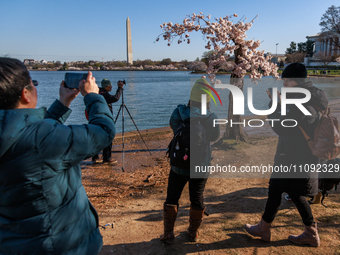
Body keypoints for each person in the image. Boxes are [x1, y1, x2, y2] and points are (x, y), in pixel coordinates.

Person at [0, 57, 116, 255]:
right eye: (33, 84)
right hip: (58, 245)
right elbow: (103, 131)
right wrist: (92, 96)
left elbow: (27, 135)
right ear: (25, 94)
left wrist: (62, 104)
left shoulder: (28, 136)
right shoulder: (42, 139)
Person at [244, 62, 328, 247]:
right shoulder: (309, 97)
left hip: (297, 156)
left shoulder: (302, 101)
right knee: (277, 189)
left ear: (295, 81)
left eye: (286, 80)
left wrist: (274, 106)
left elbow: (282, 127)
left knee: (293, 193)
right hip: (292, 154)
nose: (283, 84)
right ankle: (264, 227)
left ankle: (310, 232)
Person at [160, 78, 220, 242]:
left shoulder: (178, 112)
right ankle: (193, 232)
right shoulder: (210, 117)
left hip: (178, 164)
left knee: (172, 197)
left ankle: (168, 233)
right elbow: (215, 136)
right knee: (197, 197)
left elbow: (174, 128)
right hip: (200, 165)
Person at [92, 78, 124, 164]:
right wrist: (120, 88)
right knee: (108, 136)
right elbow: (116, 98)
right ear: (106, 86)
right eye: (110, 85)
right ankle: (107, 158)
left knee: (97, 138)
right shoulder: (104, 95)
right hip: (105, 119)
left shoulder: (98, 93)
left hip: (96, 118)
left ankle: (95, 157)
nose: (111, 87)